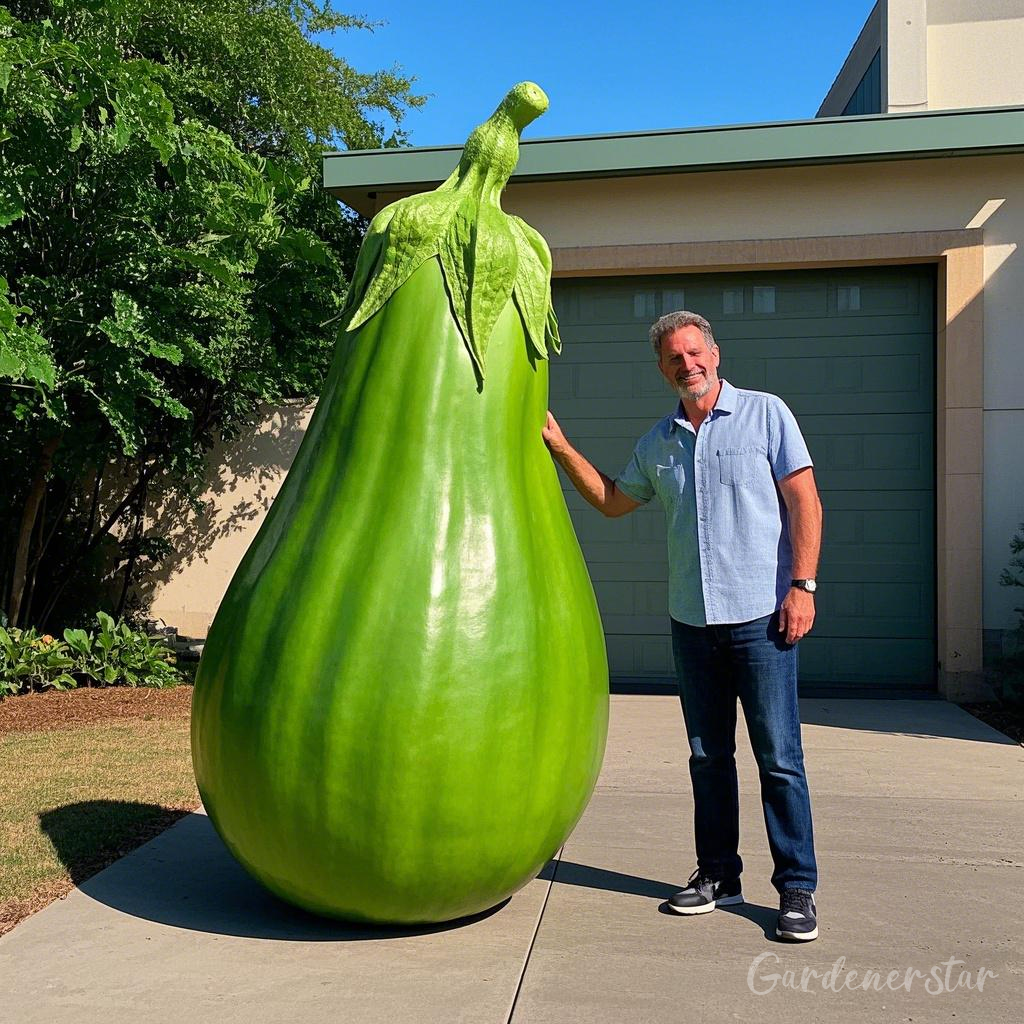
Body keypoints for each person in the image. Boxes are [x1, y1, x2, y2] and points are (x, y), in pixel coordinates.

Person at [542, 310, 822, 942]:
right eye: (674, 358)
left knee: (779, 758)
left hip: (762, 617)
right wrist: (560, 447)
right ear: (663, 369)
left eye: (695, 353)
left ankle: (797, 888)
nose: (687, 364)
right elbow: (614, 501)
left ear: (714, 354)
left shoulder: (765, 415)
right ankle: (720, 876)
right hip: (693, 623)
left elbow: (803, 498)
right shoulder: (658, 443)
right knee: (708, 756)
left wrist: (802, 586)